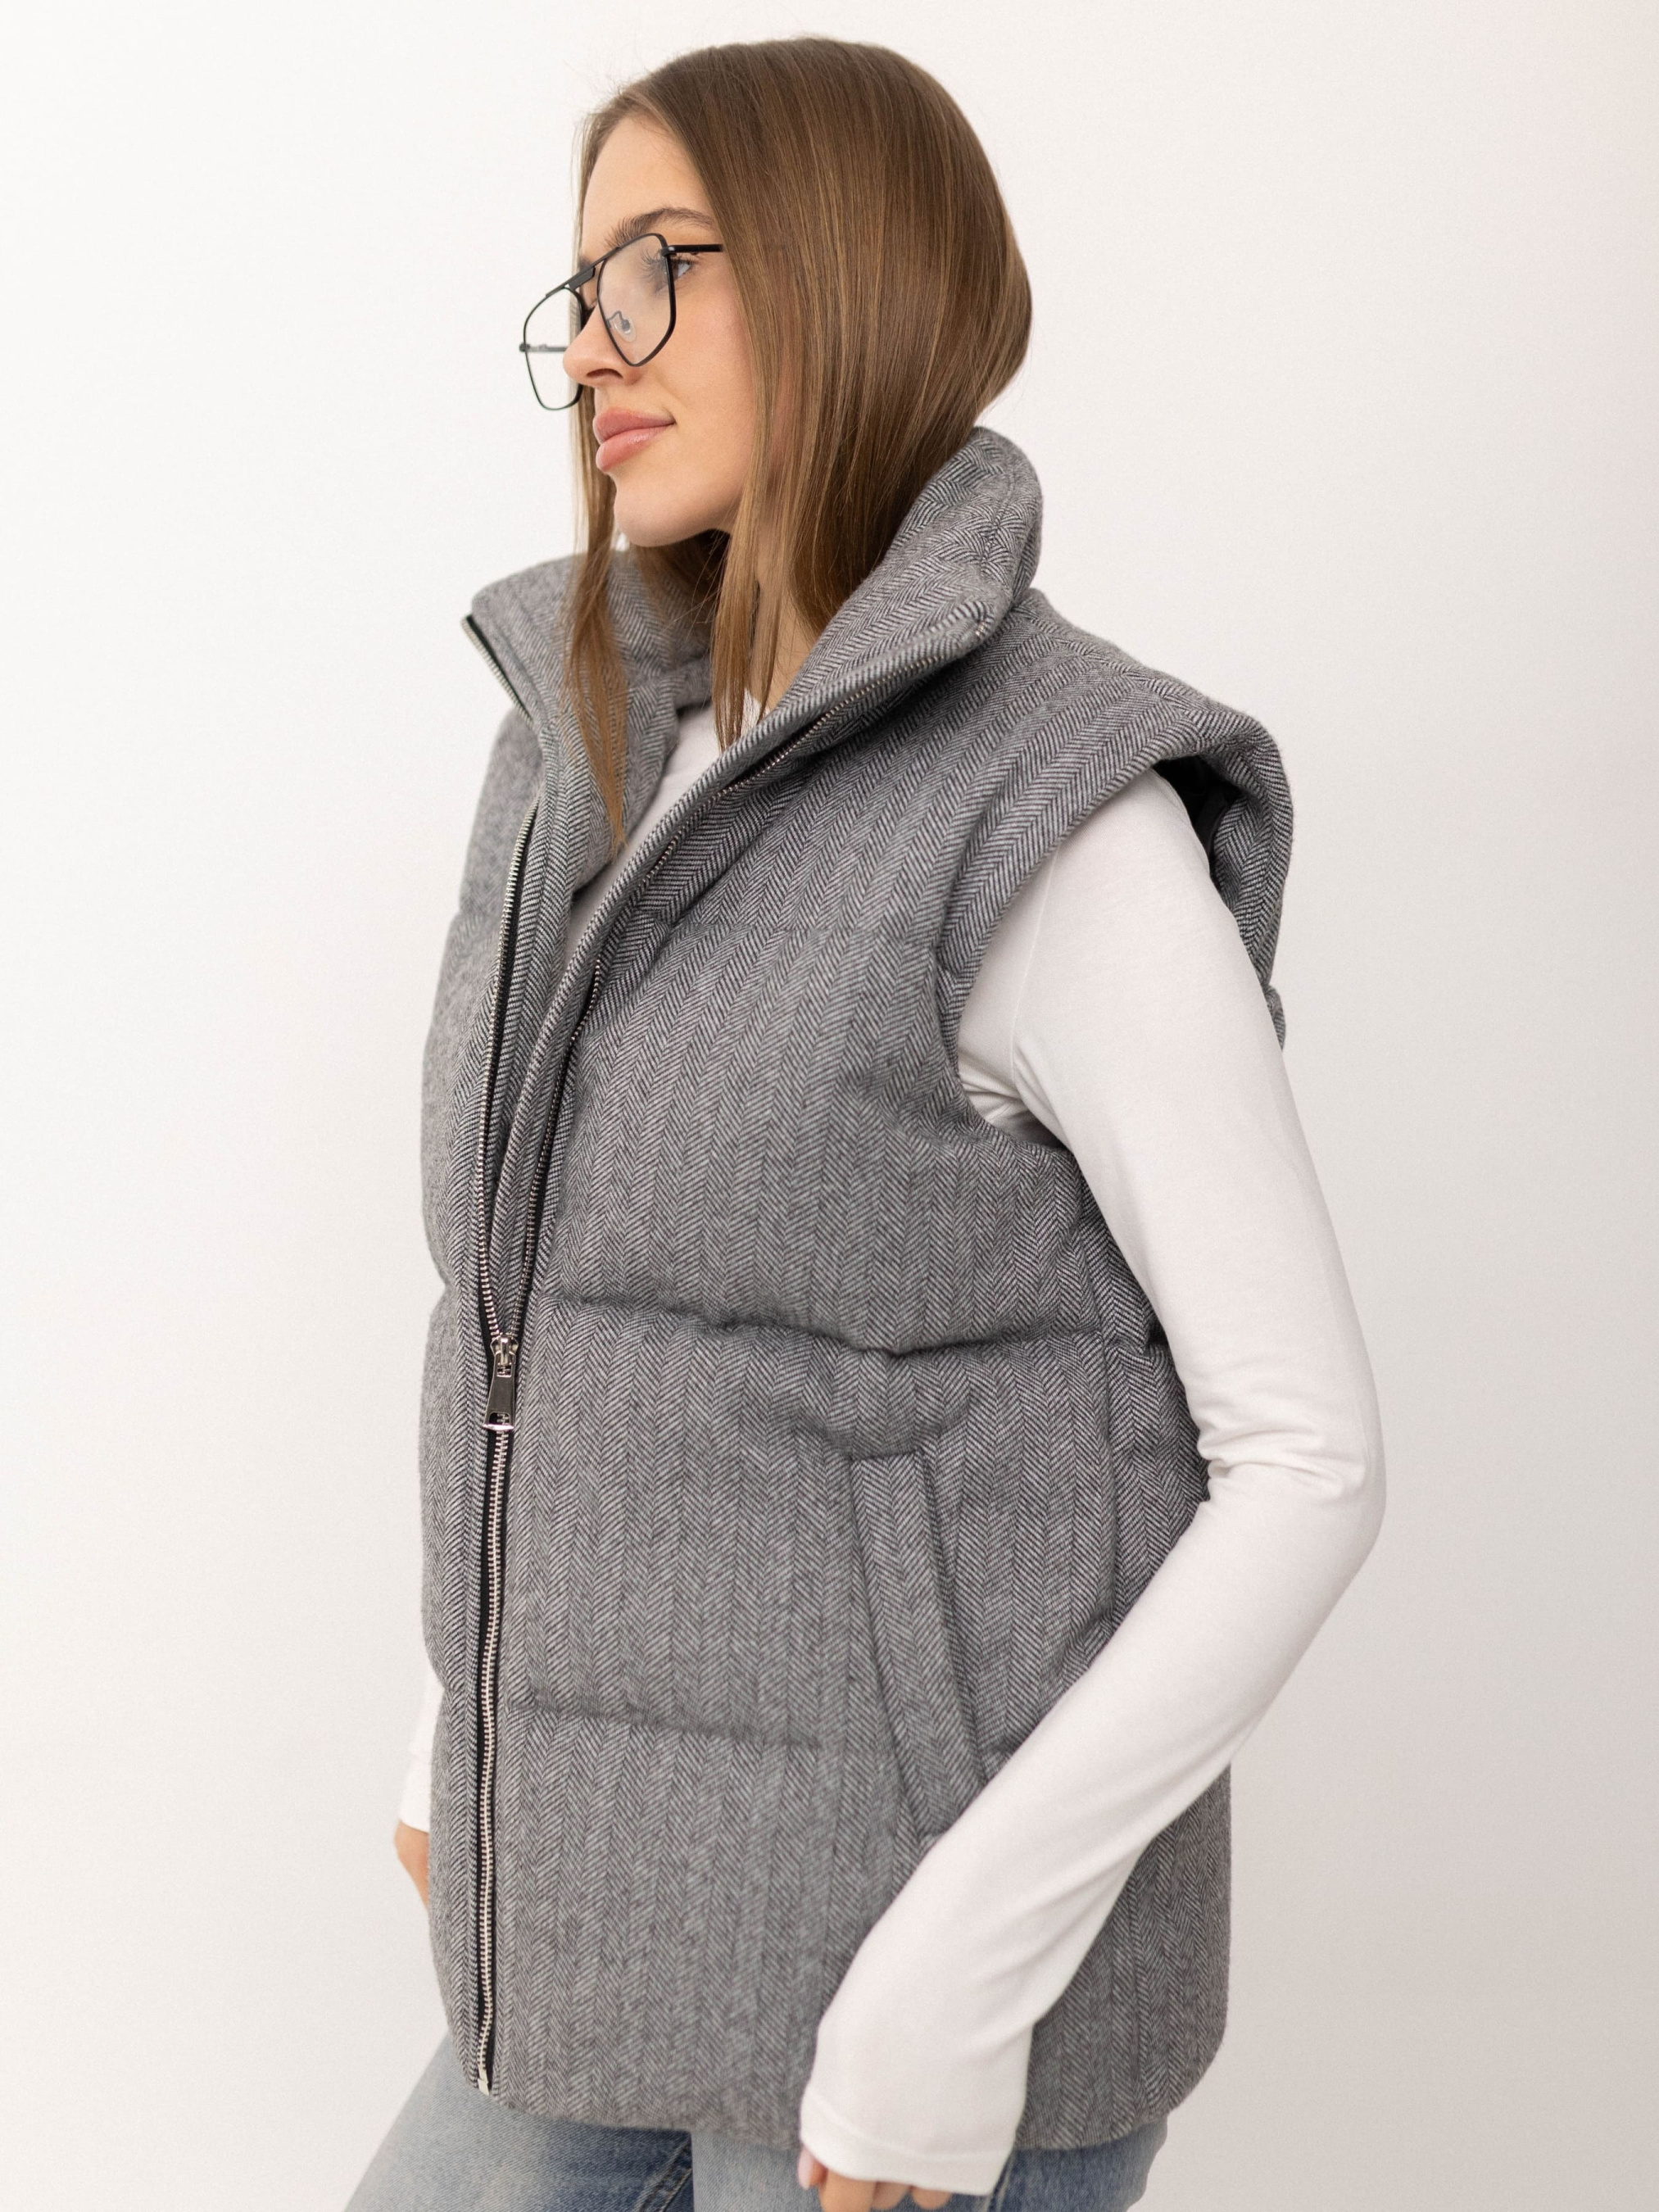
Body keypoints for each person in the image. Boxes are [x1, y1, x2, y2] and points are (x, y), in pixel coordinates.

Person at [347, 34, 1385, 2212]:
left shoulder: (1056, 809)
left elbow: (1304, 1458)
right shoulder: (579, 748)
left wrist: (947, 1994)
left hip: (912, 2000)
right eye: (580, 288)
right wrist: (470, 1728)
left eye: (661, 267)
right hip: (602, 1916)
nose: (592, 349)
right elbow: (543, 1309)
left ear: (848, 273)